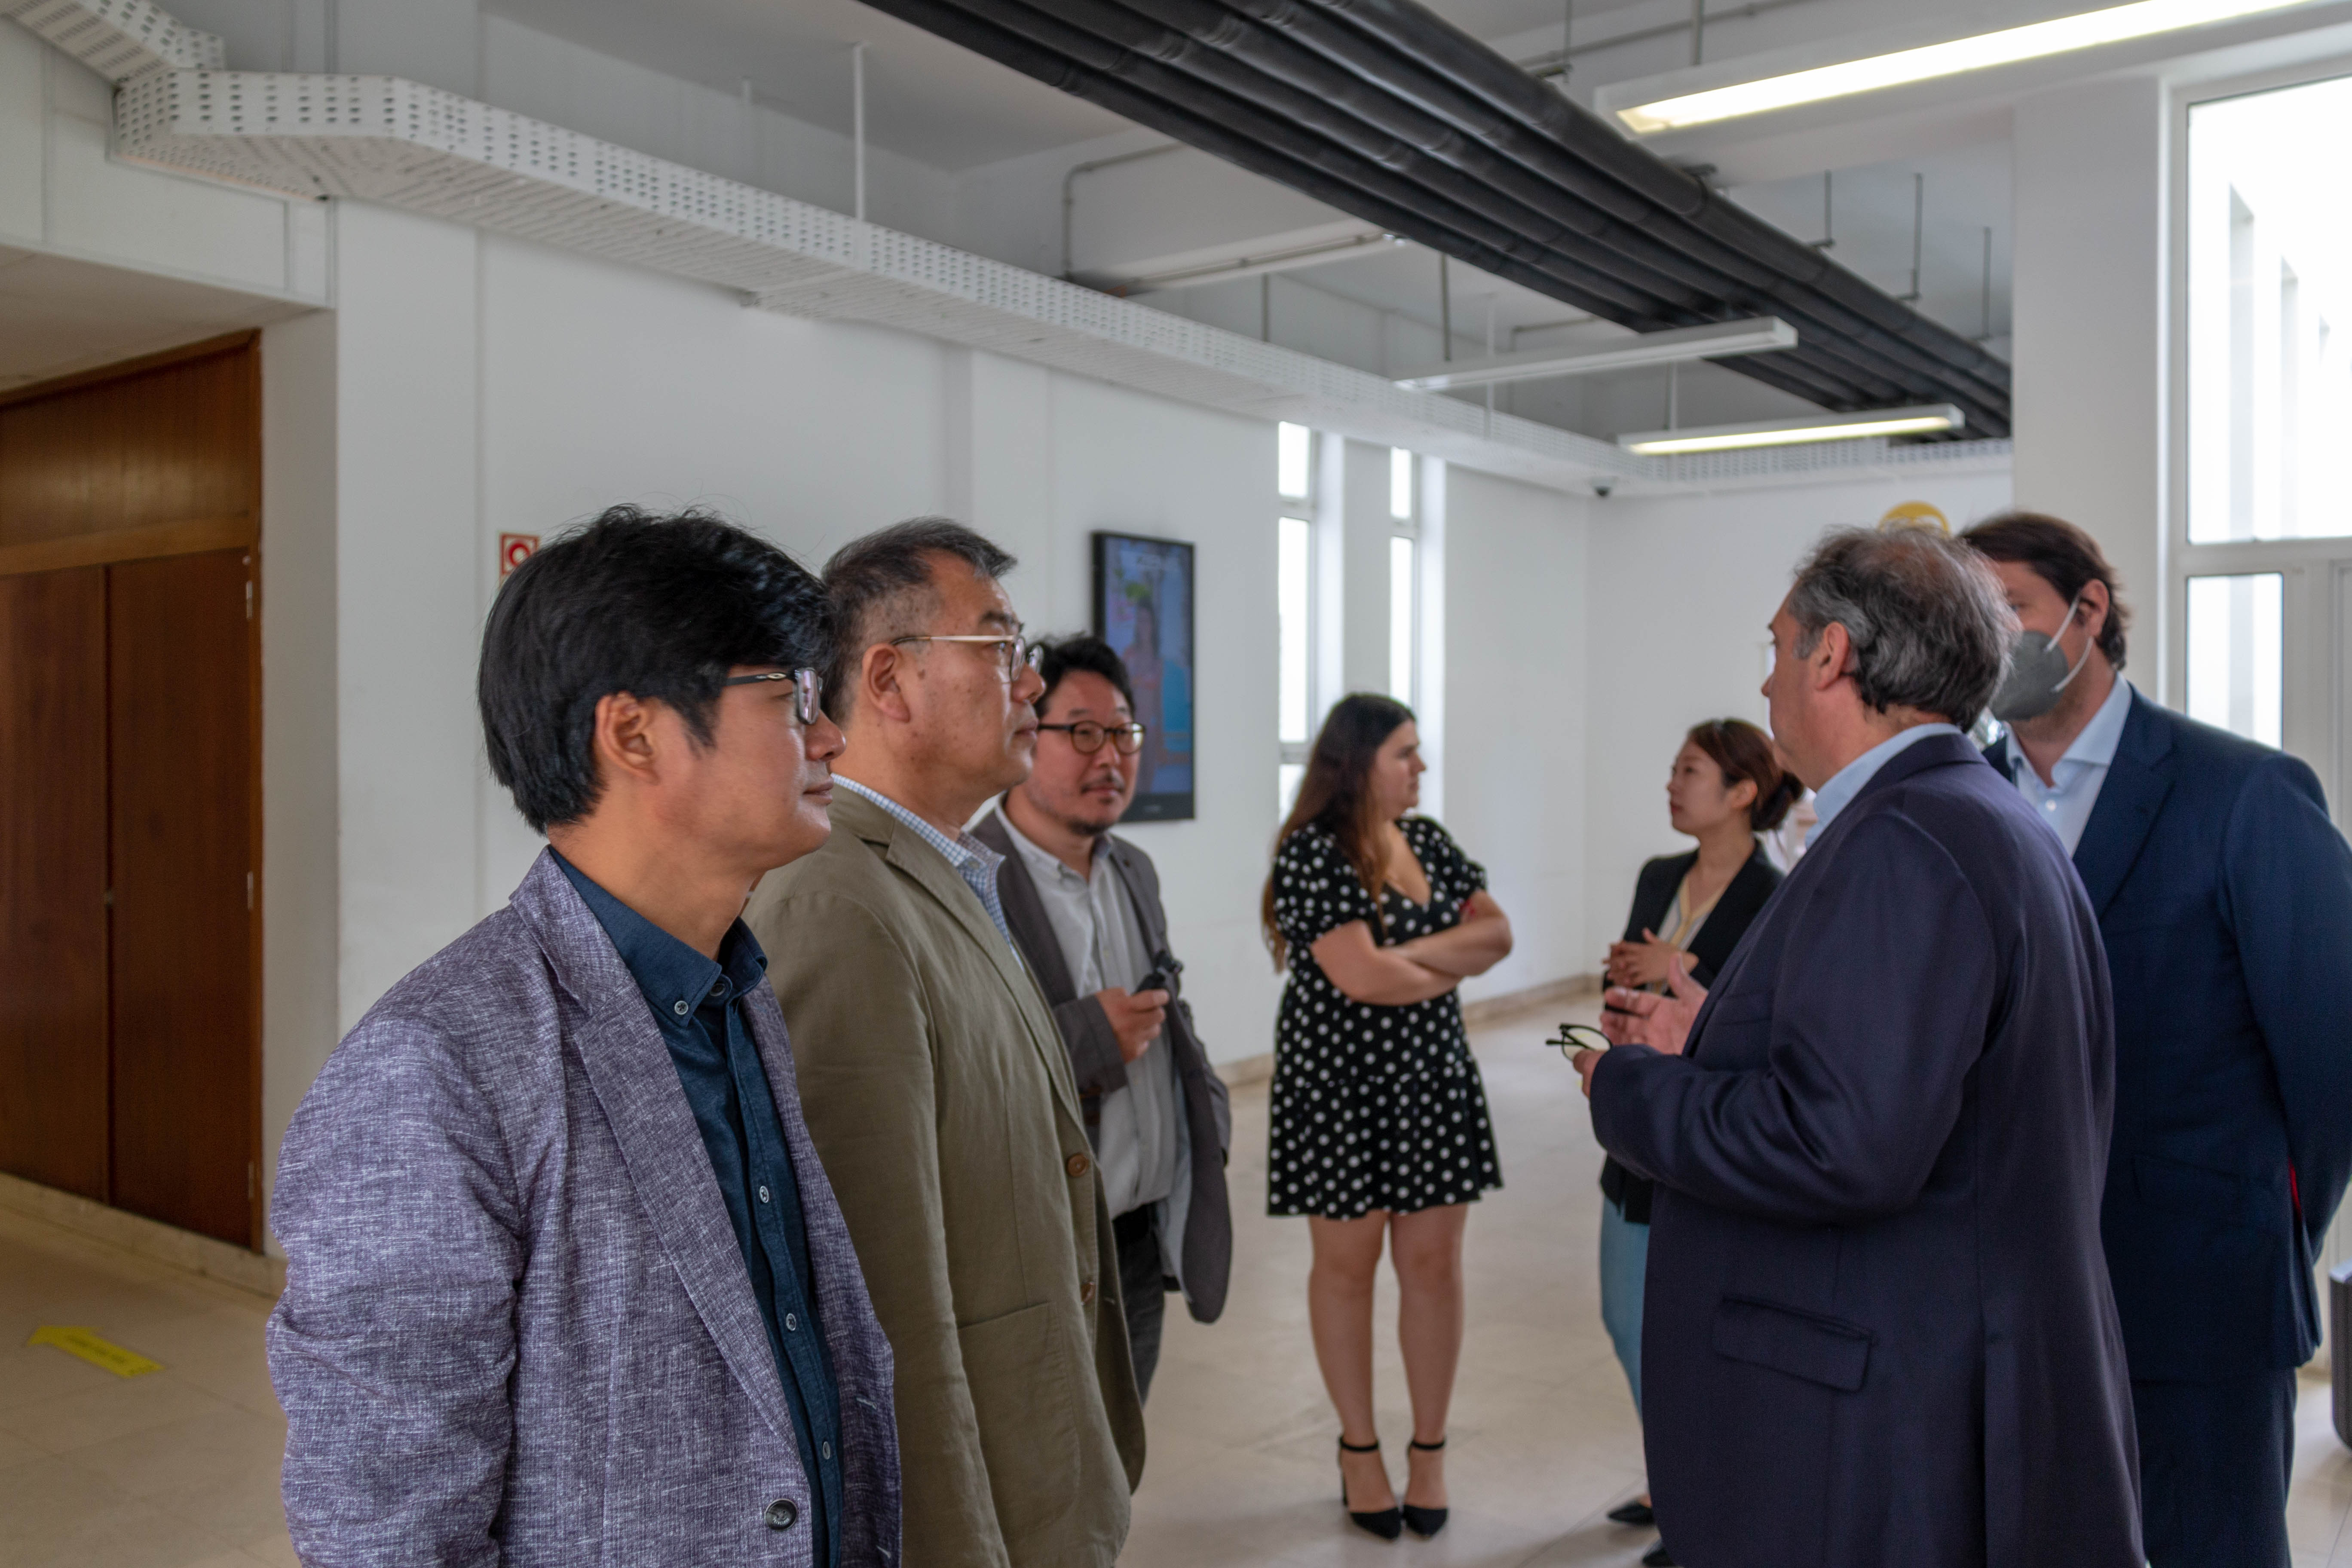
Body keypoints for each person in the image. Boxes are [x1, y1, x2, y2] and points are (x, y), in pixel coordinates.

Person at [267, 508, 900, 1567]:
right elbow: (388, 1531)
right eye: (792, 696)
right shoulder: (434, 1066)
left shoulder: (731, 990)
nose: (832, 735)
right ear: (634, 734)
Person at [1580, 525, 2143, 1568]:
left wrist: (1630, 1085)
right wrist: (1718, 1039)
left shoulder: (1902, 839)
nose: (1766, 681)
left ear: (1831, 655)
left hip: (1880, 1414)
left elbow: (1836, 1144)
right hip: (1949, 1372)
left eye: (1777, 646)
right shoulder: (1985, 815)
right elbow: (1910, 1077)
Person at [744, 519, 1144, 1568]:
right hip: (981, 1509)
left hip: (1036, 1455)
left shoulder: (939, 872)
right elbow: (884, 1310)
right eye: (1002, 647)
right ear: (889, 679)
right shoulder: (839, 903)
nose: (1031, 684)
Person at [1963, 511, 2352, 1568]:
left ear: (2087, 611)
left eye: (2010, 610)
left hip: (2200, 1294)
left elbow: (2330, 1062)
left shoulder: (2244, 793)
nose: (1990, 645)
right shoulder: (1967, 799)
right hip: (2012, 1296)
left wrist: (2263, 1221)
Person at [1261, 693, 1513, 1542]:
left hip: (1431, 1079)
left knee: (1434, 1267)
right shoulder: (1313, 851)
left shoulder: (1429, 841)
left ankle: (1429, 1450)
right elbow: (1360, 979)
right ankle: (1359, 1449)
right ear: (1357, 762)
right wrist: (1441, 962)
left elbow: (1498, 937)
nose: (1420, 766)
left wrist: (1399, 957)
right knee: (1347, 1268)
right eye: (1405, 752)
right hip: (1340, 1086)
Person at [973, 634, 1233, 1401]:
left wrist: (1208, 1118)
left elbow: (1171, 1014)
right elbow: (961, 1072)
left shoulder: (1132, 870)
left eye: (1124, 733)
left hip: (1136, 1242)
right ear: (1028, 730)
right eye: (1083, 733)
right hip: (1040, 1248)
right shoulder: (969, 879)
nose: (1111, 756)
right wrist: (1088, 1037)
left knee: (1124, 1452)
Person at [1594, 718, 1796, 1564]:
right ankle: (1672, 1476)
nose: (1672, 786)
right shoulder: (1659, 874)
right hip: (1638, 1123)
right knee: (1625, 1318)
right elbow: (1619, 977)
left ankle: (1699, 1504)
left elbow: (1765, 1018)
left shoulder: (1775, 893)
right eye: (1674, 770)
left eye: (1690, 771)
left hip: (1708, 1133)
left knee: (1687, 1335)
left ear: (1743, 792)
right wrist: (1623, 997)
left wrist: (1674, 970)